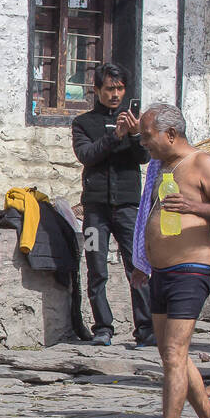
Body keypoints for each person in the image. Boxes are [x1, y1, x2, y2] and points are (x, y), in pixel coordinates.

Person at [128, 105, 210, 418]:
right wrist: (143, 262)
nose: (143, 142)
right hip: (160, 270)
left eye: (147, 136)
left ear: (171, 134)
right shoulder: (161, 169)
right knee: (170, 352)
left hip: (191, 269)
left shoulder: (202, 165)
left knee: (174, 353)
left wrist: (195, 205)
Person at [72, 62, 155, 347]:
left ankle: (145, 329)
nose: (115, 94)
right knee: (96, 268)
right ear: (97, 90)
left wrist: (133, 135)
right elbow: (87, 155)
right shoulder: (84, 123)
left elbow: (144, 157)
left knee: (137, 266)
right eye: (109, 89)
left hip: (129, 208)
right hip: (96, 209)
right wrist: (114, 136)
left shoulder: (138, 123)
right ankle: (103, 328)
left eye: (120, 88)